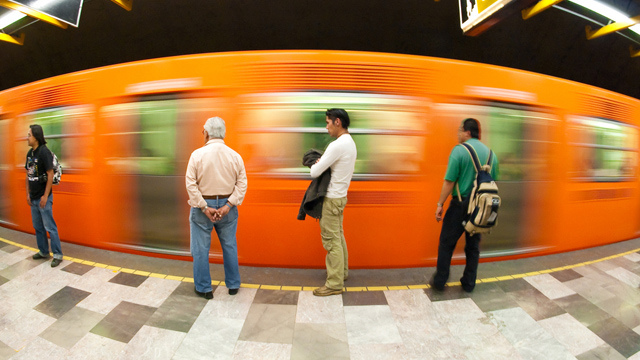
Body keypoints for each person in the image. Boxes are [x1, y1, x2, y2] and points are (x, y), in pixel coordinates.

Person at [433, 118, 499, 293]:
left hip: (460, 205)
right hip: (480, 207)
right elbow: (494, 181)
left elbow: (449, 181)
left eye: (459, 130)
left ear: (467, 132)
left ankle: (440, 280)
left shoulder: (459, 151)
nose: (458, 134)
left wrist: (440, 204)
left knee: (446, 243)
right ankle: (469, 283)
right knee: (473, 246)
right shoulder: (492, 155)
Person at [186, 117, 248, 300]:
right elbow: (242, 184)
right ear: (224, 133)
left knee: (200, 249)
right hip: (228, 209)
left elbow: (190, 185)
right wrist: (228, 205)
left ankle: (204, 288)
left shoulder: (197, 155)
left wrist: (205, 208)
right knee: (229, 246)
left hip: (202, 208)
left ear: (206, 133)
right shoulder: (235, 156)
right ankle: (233, 285)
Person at [309, 109, 357, 296]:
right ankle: (342, 272)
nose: (326, 126)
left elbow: (314, 172)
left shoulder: (337, 145)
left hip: (331, 199)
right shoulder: (350, 143)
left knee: (331, 241)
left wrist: (318, 163)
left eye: (328, 122)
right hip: (341, 197)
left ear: (338, 122)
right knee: (338, 235)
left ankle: (334, 284)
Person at [26, 124, 63, 268]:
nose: (27, 137)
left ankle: (58, 254)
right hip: (34, 197)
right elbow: (28, 173)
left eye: (29, 135)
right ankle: (43, 251)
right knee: (38, 227)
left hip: (43, 198)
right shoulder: (30, 153)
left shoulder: (44, 152)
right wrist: (28, 193)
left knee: (50, 226)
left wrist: (45, 196)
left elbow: (50, 174)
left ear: (36, 137)